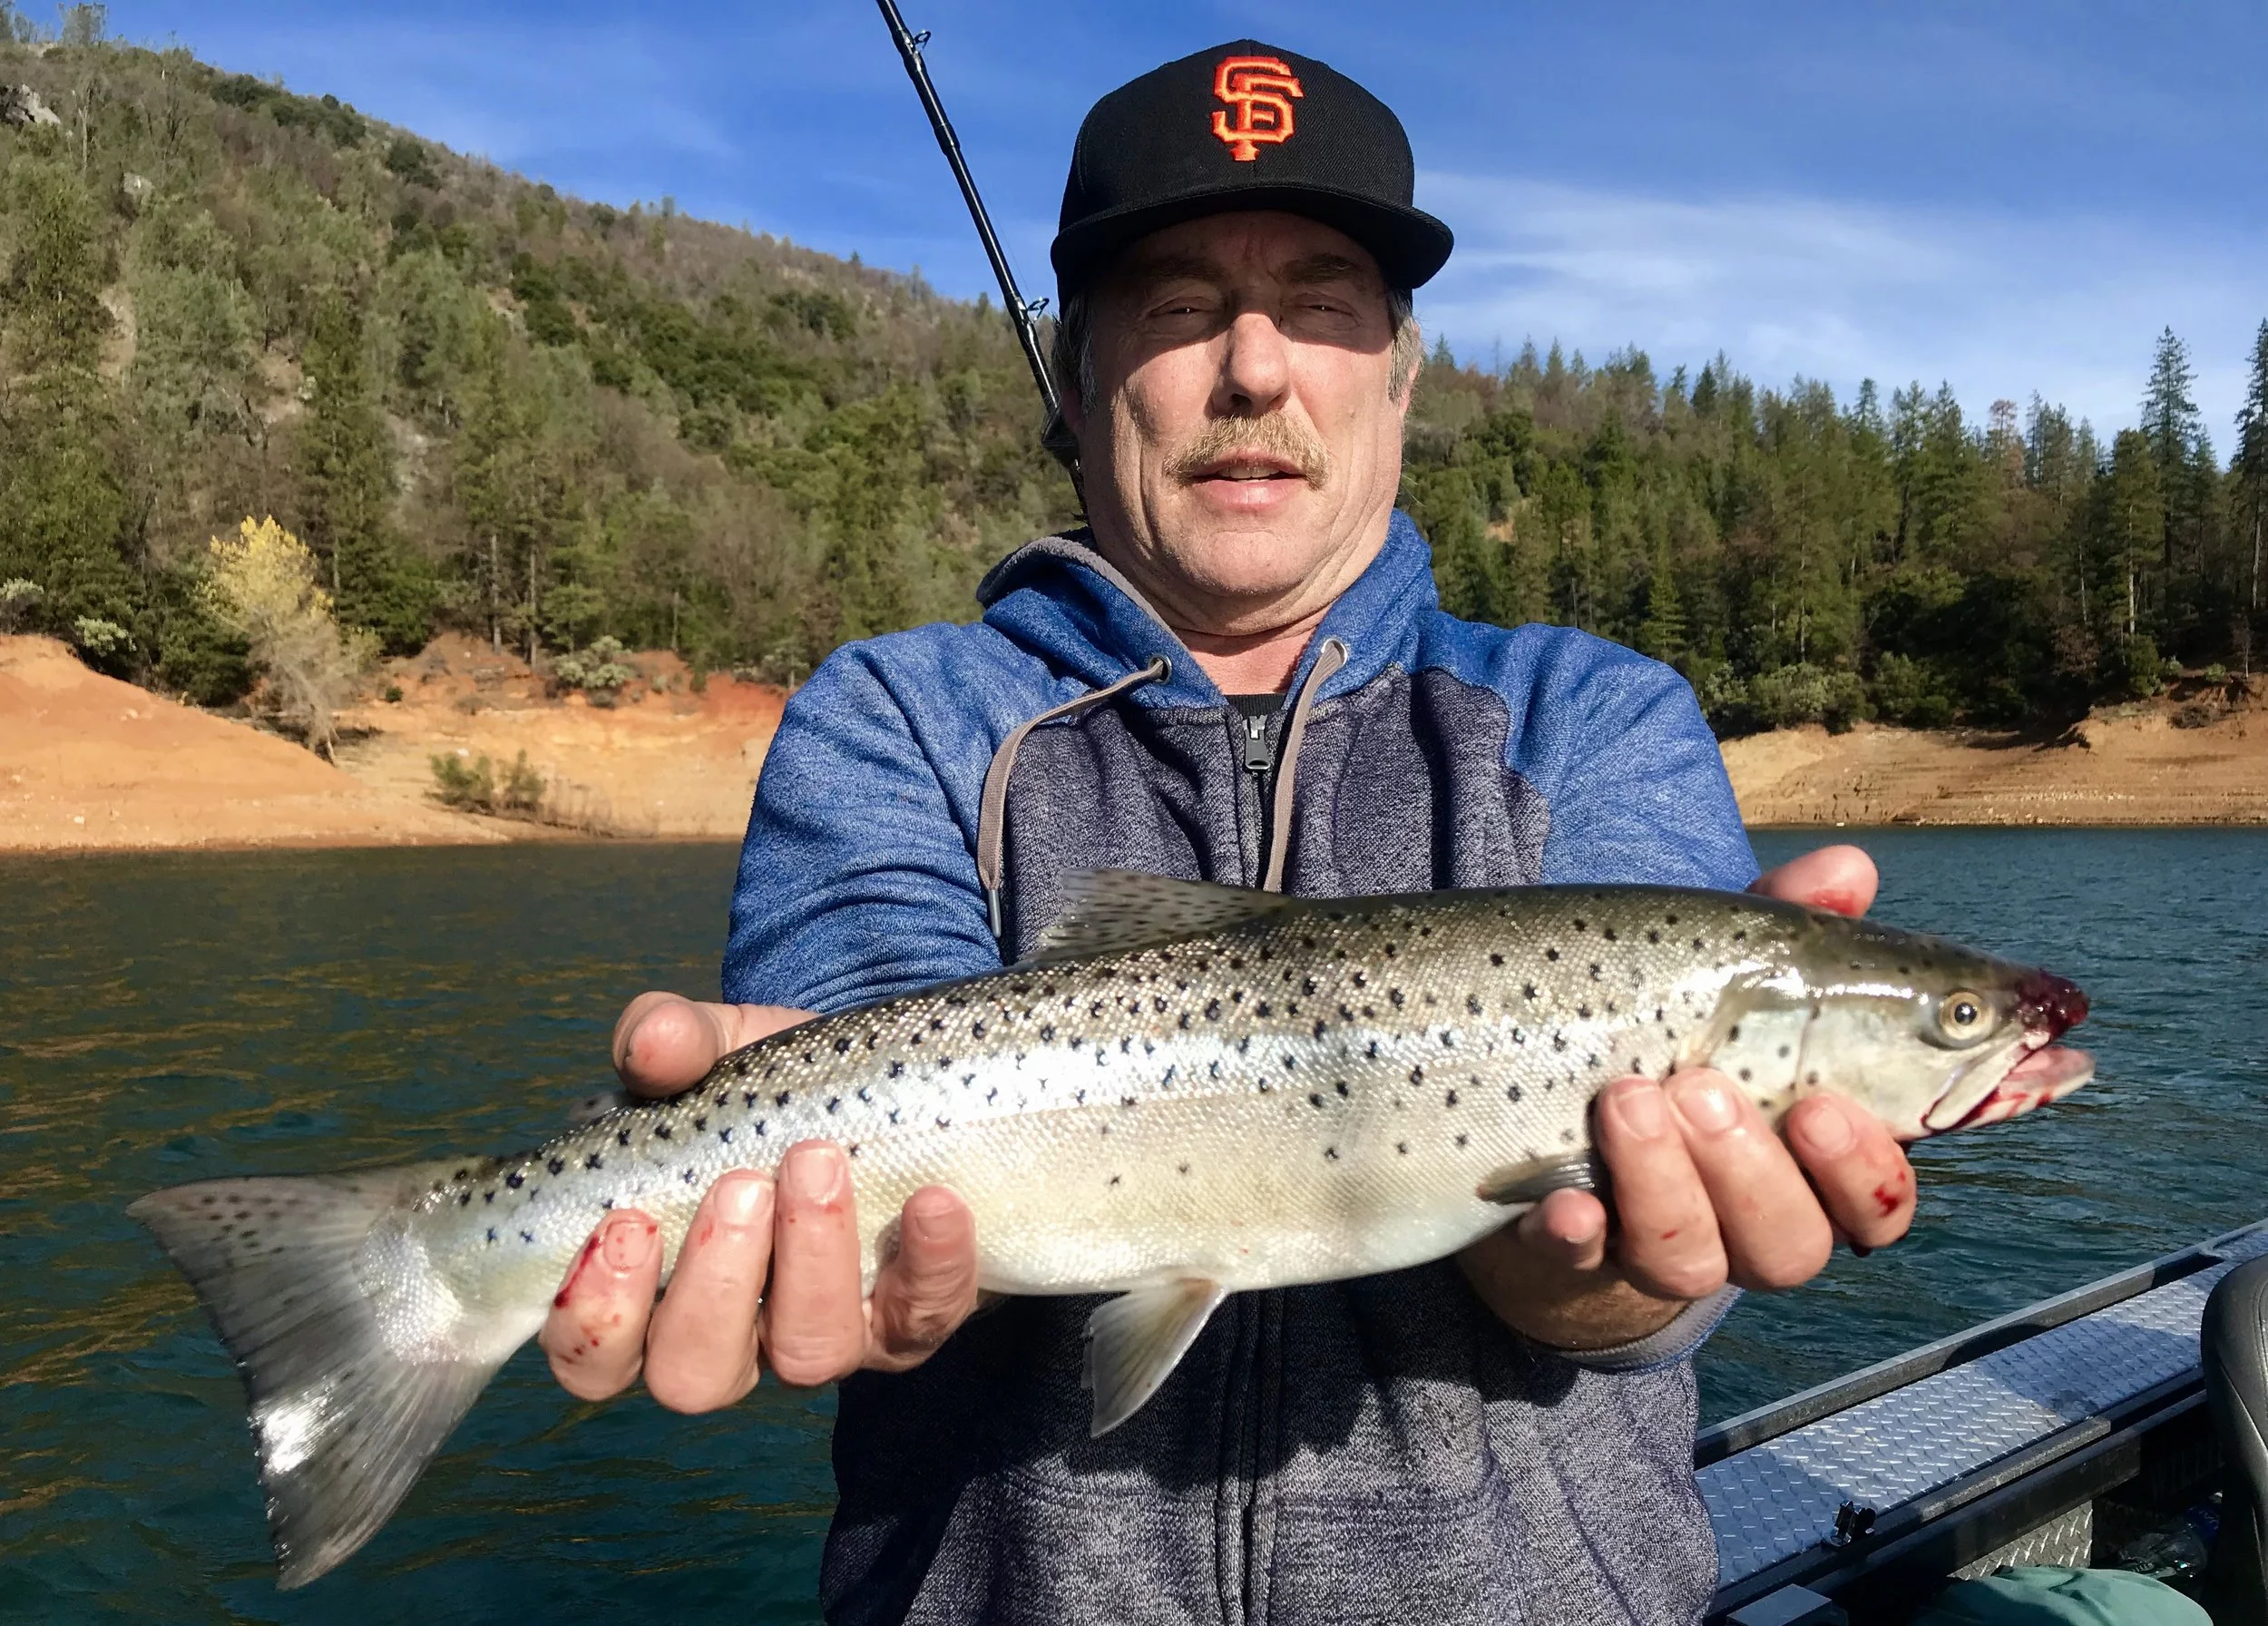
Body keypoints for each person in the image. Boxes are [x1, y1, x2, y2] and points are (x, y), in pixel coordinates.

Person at [539, 40, 1917, 1626]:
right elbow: (883, 1161)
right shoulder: (897, 718)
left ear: (1399, 375)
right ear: (1078, 377)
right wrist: (831, 1250)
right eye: (1181, 306)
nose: (1253, 367)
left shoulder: (1587, 721)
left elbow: (1637, 1303)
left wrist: (1601, 1270)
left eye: (1324, 304)